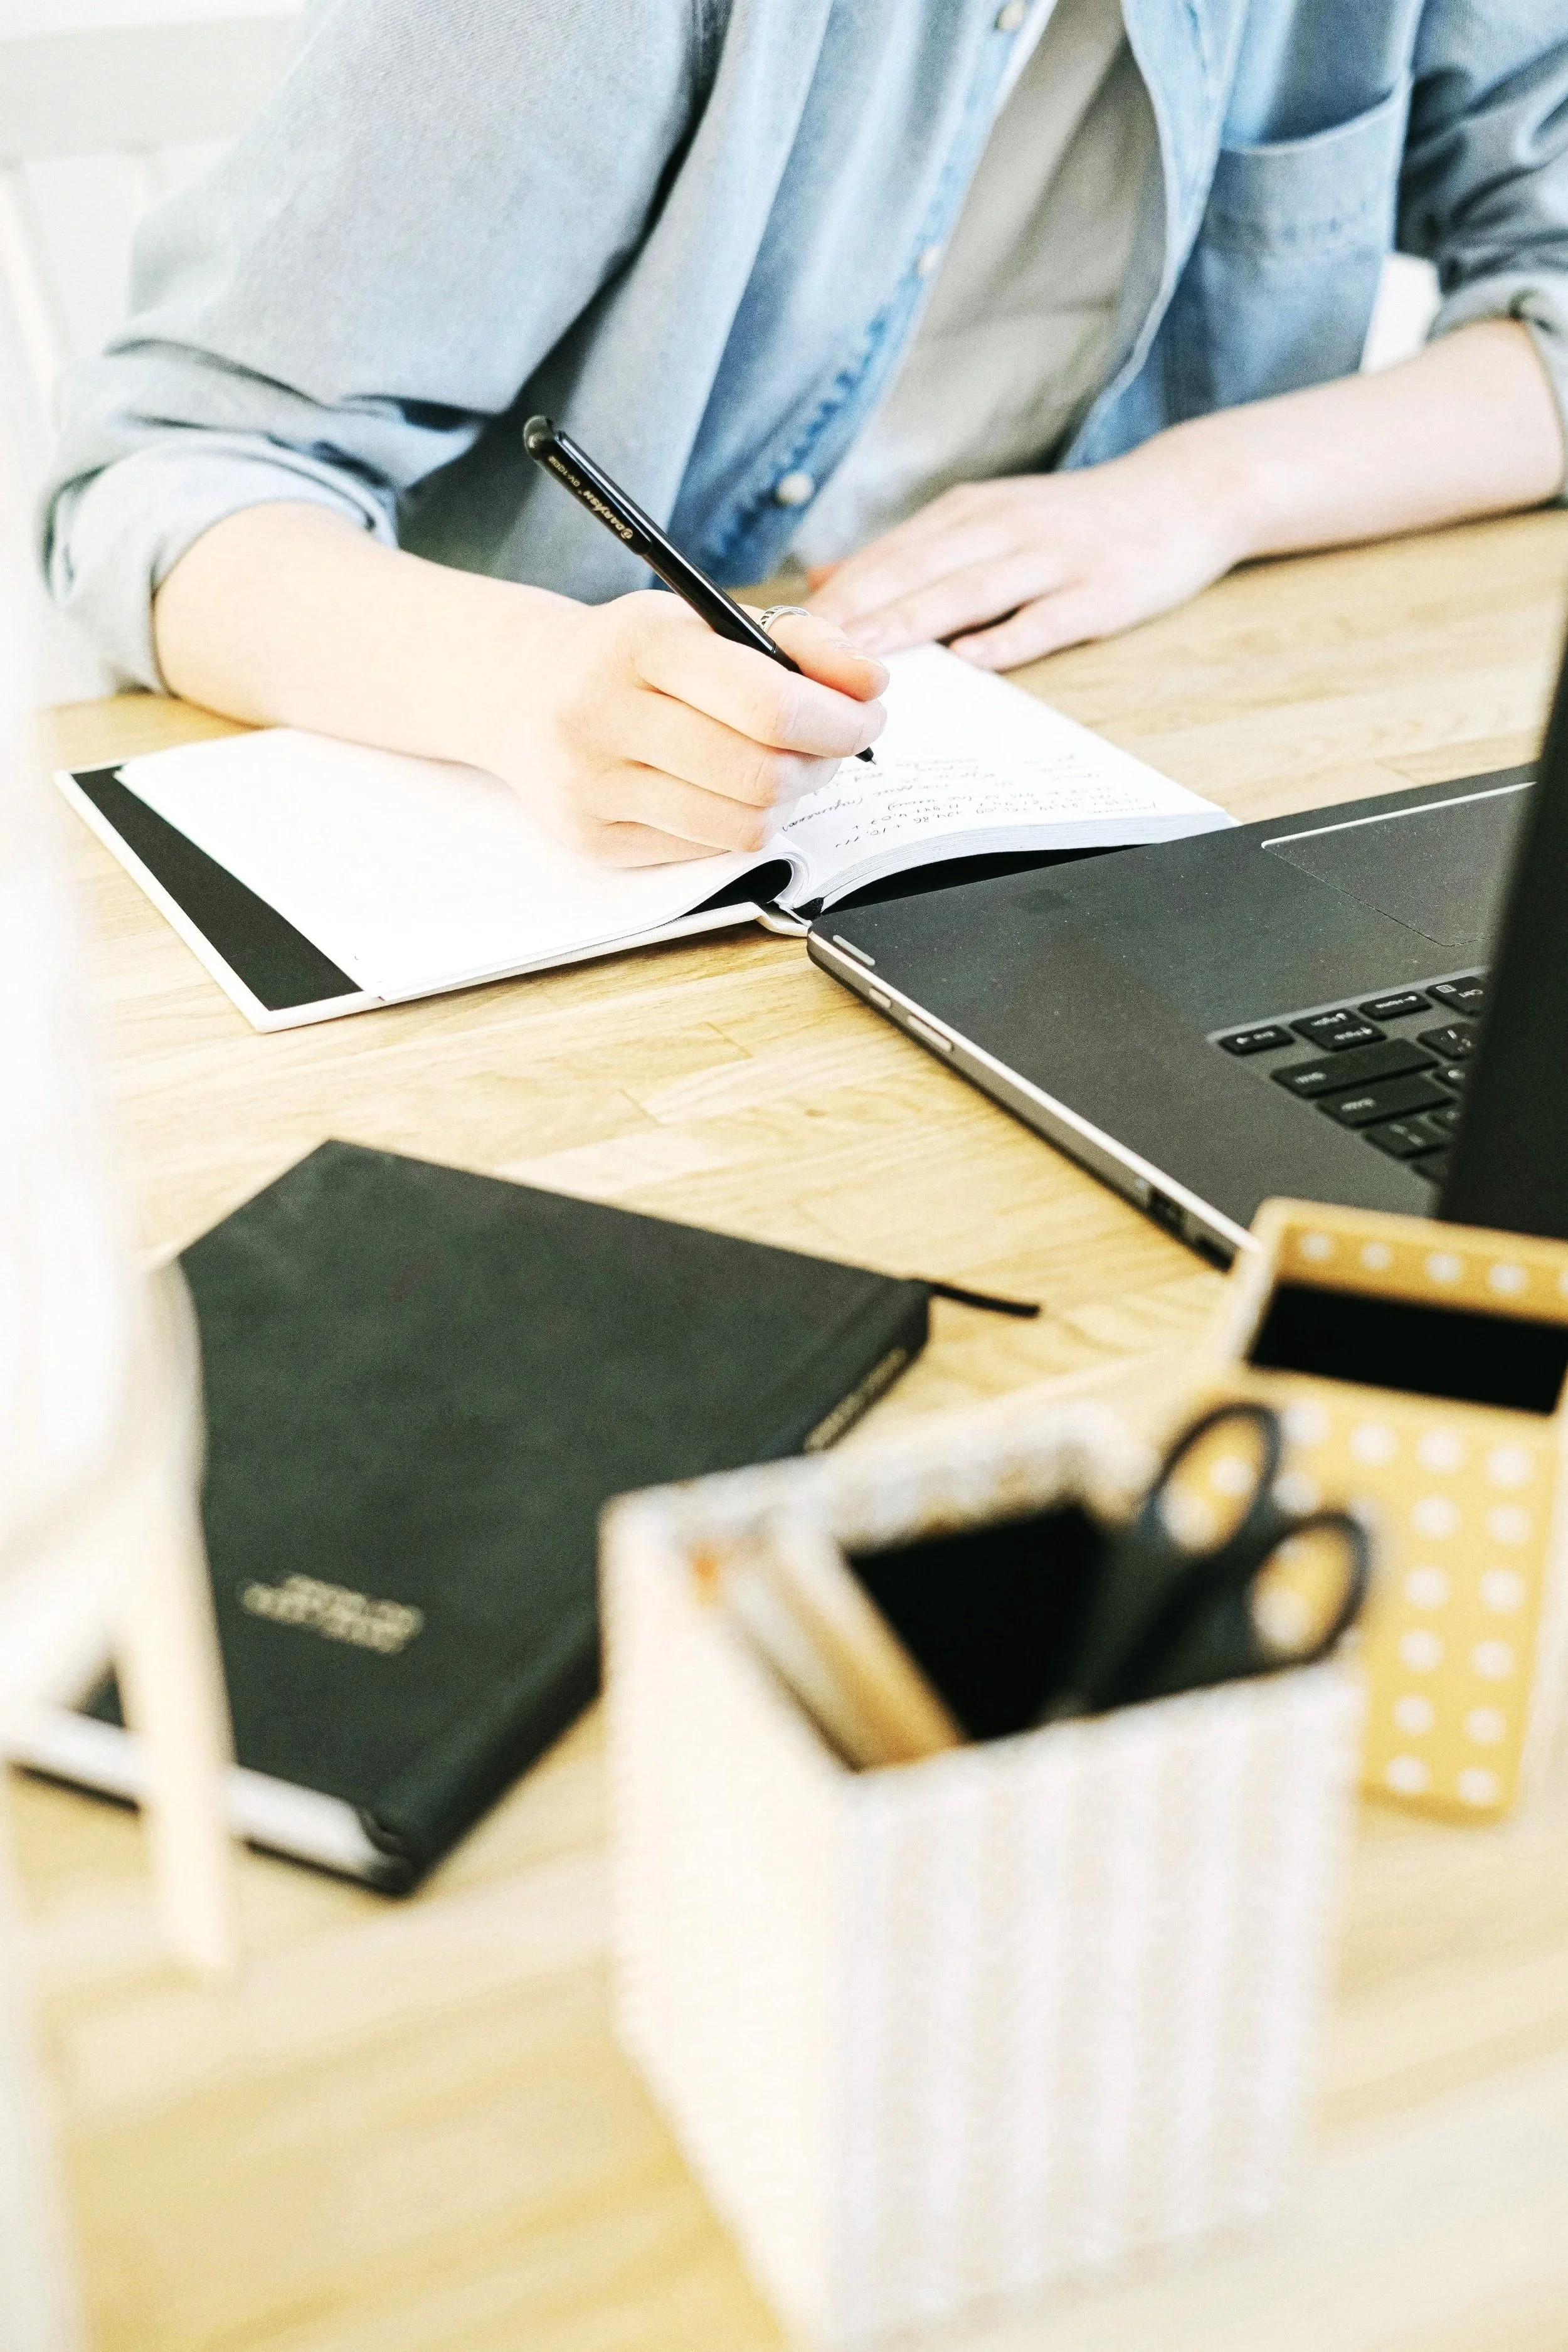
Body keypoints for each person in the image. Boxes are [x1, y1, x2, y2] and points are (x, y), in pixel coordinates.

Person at [42, 1, 1568, 868]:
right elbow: (163, 479)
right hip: (586, 860)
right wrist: (526, 683)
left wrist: (1193, 495)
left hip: (1138, 795)